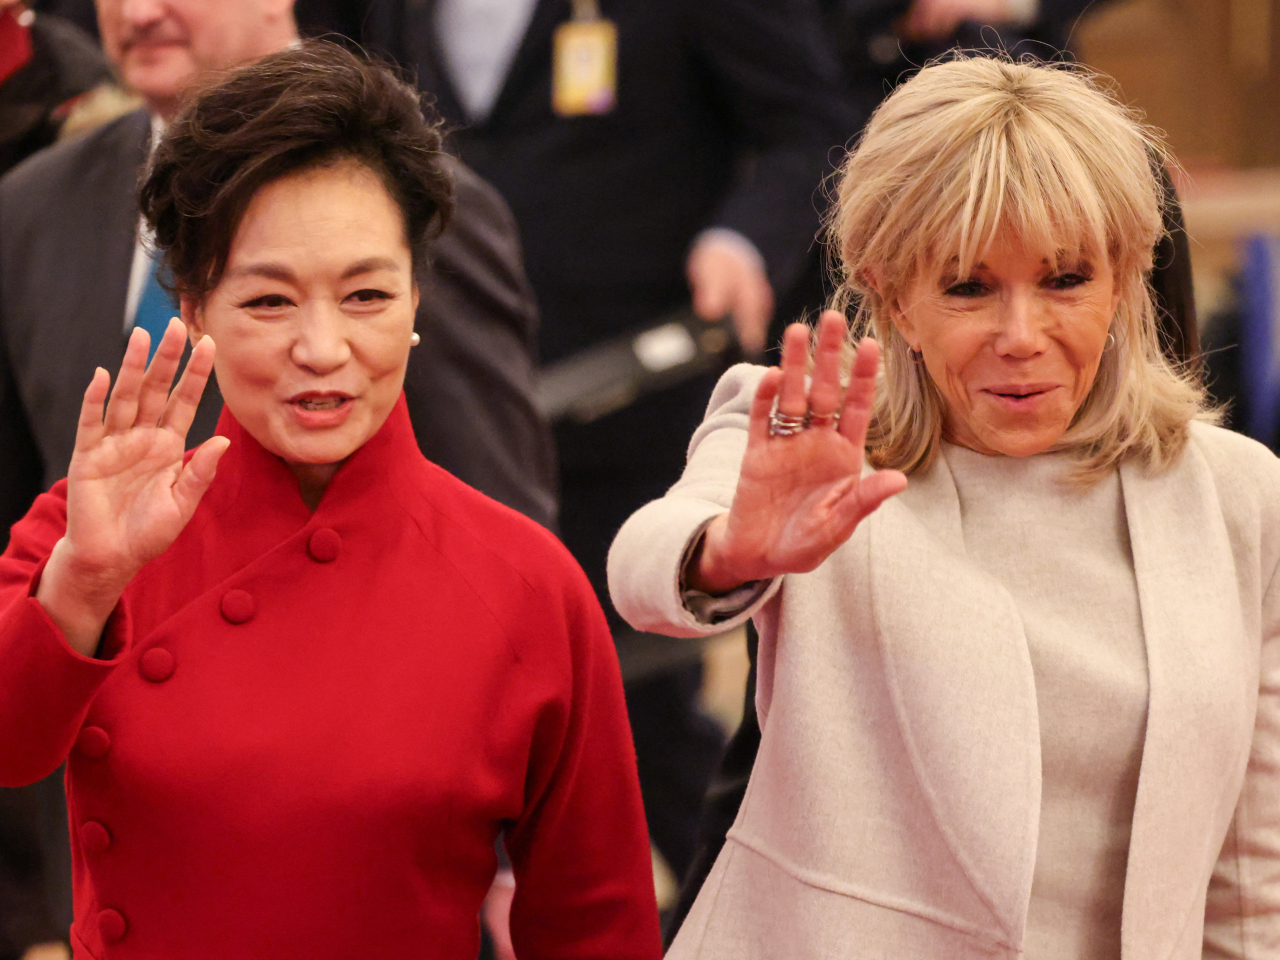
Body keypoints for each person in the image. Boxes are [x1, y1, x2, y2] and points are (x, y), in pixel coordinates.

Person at [0, 42, 661, 960]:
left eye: (366, 295)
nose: (322, 348)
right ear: (192, 308)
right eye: (269, 302)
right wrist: (82, 585)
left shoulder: (524, 584)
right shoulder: (95, 526)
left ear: (417, 298)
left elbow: (597, 927)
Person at [609, 56, 1280, 958]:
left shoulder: (1238, 495)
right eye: (968, 287)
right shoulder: (812, 442)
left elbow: (1250, 879)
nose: (1021, 336)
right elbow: (643, 569)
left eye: (1065, 280)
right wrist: (729, 551)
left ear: (1124, 280)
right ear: (893, 296)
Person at [360, 0, 854, 887]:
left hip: (629, 402)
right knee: (451, 709)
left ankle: (731, 911)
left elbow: (809, 124)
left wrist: (744, 239)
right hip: (443, 403)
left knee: (632, 711)